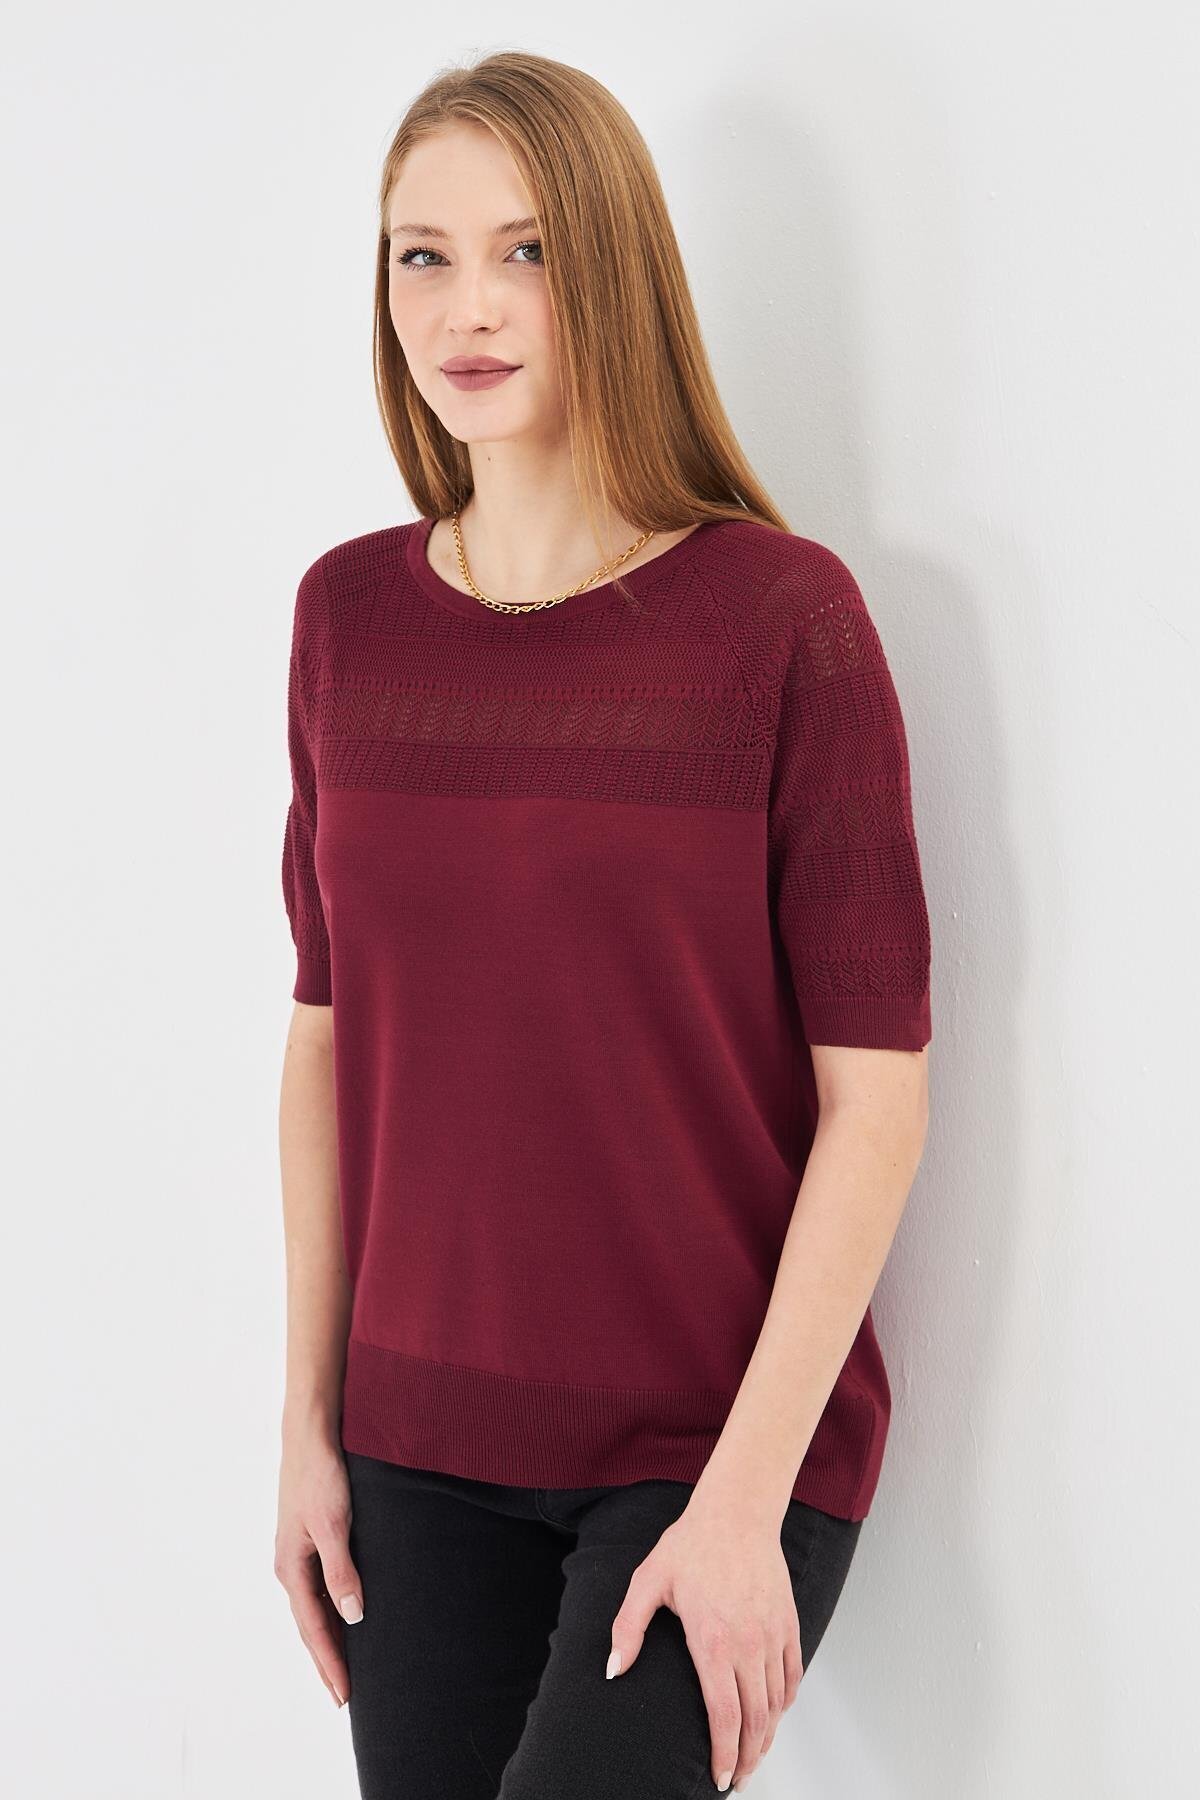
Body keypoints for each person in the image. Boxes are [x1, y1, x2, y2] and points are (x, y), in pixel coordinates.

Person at [274, 49, 932, 1800]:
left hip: (711, 1443)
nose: (468, 307)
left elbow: (877, 1100)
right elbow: (325, 1040)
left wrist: (742, 1503)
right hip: (414, 1448)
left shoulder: (781, 623)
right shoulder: (346, 619)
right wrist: (306, 1425)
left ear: (614, 270)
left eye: (527, 251)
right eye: (422, 255)